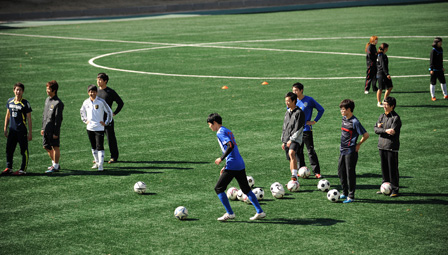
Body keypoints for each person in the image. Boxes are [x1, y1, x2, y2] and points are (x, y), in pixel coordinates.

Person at [207, 113, 265, 221]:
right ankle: (260, 212)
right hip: (239, 162)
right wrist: (226, 165)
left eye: (210, 124)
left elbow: (230, 145)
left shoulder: (220, 132)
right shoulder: (226, 130)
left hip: (233, 164)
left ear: (214, 123)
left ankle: (230, 213)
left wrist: (221, 158)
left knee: (218, 188)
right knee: (246, 189)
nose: (209, 127)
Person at [338, 99, 369, 203]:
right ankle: (345, 192)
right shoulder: (344, 119)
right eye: (341, 109)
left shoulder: (355, 122)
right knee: (341, 172)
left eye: (343, 109)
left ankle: (351, 196)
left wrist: (358, 144)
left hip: (350, 151)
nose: (341, 111)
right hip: (342, 150)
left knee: (350, 174)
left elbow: (366, 135)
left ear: (349, 109)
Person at [292, 82, 325, 179]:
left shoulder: (309, 100)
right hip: (296, 131)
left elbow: (321, 109)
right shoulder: (292, 101)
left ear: (301, 90)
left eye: (296, 90)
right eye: (293, 90)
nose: (294, 92)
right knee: (298, 151)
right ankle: (301, 169)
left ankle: (317, 172)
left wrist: (314, 121)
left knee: (310, 150)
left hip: (306, 129)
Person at [80, 84, 113, 171]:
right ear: (88, 93)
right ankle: (97, 162)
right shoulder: (86, 102)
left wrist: (106, 122)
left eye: (94, 92)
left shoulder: (101, 102)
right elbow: (82, 111)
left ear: (96, 92)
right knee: (93, 146)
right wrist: (85, 120)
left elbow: (109, 112)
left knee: (100, 146)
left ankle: (101, 165)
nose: (92, 93)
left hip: (99, 128)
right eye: (90, 92)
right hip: (89, 128)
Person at [2, 83, 32, 176]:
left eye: (20, 90)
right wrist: (5, 128)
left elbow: (29, 119)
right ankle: (9, 167)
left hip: (21, 131)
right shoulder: (10, 101)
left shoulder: (25, 103)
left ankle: (23, 169)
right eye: (16, 90)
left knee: (24, 151)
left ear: (22, 92)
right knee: (9, 150)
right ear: (13, 90)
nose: (18, 92)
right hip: (12, 130)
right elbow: (7, 115)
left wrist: (30, 132)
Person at [374, 97, 401, 197]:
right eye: (383, 104)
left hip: (391, 147)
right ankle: (384, 187)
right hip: (381, 146)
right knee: (384, 169)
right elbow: (376, 129)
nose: (384, 106)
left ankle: (395, 189)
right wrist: (385, 130)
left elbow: (392, 132)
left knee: (392, 169)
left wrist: (382, 129)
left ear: (392, 106)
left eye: (386, 105)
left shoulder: (396, 118)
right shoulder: (382, 116)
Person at [96, 73, 124, 163]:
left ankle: (114, 157)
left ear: (105, 81)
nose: (98, 81)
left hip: (107, 119)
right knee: (98, 139)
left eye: (100, 80)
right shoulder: (95, 91)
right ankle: (99, 157)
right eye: (97, 79)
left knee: (110, 138)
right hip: (98, 119)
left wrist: (114, 113)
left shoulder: (110, 92)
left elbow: (120, 103)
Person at [281, 92, 305, 181]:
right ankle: (294, 178)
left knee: (292, 153)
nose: (286, 103)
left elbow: (298, 128)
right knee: (290, 158)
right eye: (286, 101)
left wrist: (291, 139)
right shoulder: (287, 112)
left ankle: (294, 176)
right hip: (287, 140)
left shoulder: (299, 113)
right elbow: (284, 127)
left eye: (288, 101)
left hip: (295, 139)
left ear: (294, 101)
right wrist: (283, 140)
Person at [42, 80, 64, 173]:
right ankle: (54, 163)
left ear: (54, 90)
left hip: (53, 129)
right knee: (46, 146)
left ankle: (55, 166)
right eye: (47, 88)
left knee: (55, 146)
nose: (47, 90)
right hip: (46, 128)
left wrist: (55, 132)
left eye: (49, 89)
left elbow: (58, 120)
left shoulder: (58, 103)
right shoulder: (47, 100)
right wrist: (43, 128)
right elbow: (44, 115)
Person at [376, 43, 393, 107]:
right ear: (385, 48)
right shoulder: (381, 56)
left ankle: (384, 100)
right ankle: (379, 102)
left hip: (383, 74)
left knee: (390, 87)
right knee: (380, 88)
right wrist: (387, 74)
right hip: (381, 74)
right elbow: (383, 66)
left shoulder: (383, 55)